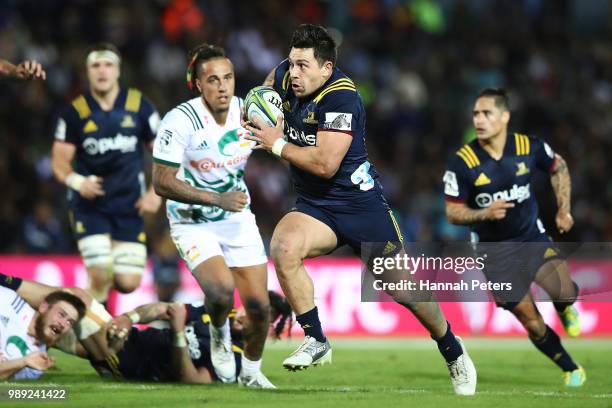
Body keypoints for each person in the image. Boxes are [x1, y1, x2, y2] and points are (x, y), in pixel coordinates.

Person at [244, 24, 477, 395]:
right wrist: (258, 110)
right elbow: (265, 90)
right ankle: (316, 339)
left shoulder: (343, 96)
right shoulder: (286, 75)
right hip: (316, 206)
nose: (295, 73)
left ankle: (452, 348)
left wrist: (275, 144)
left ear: (327, 67)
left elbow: (325, 164)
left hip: (361, 207)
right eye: (293, 64)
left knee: (403, 289)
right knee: (284, 247)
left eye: (304, 66)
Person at [443, 88, 585, 387]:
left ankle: (565, 307)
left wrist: (564, 210)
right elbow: (453, 212)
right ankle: (571, 368)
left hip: (530, 237)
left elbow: (558, 166)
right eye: (475, 114)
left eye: (486, 113)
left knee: (564, 291)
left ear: (504, 116)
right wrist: (483, 214)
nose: (479, 119)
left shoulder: (527, 146)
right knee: (531, 321)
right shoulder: (464, 161)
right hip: (494, 254)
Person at [152, 44, 273, 388]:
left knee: (260, 308)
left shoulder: (249, 112)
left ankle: (250, 375)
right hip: (192, 220)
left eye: (228, 78)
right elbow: (161, 182)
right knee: (221, 293)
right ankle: (219, 331)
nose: (222, 86)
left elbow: (279, 138)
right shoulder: (180, 121)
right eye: (213, 79)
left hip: (236, 216)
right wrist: (215, 198)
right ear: (198, 84)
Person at [51, 43, 162, 305]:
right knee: (100, 275)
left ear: (118, 71)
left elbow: (163, 154)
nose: (102, 71)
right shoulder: (74, 113)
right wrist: (78, 182)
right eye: (96, 65)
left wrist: (155, 193)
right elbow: (59, 163)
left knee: (128, 283)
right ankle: (92, 334)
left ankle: (79, 304)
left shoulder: (140, 107)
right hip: (90, 206)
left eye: (108, 65)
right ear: (87, 72)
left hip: (129, 205)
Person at [0, 285, 85, 380]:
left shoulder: (36, 362)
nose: (63, 324)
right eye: (61, 314)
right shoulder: (8, 300)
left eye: (70, 322)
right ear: (44, 307)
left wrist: (23, 362)